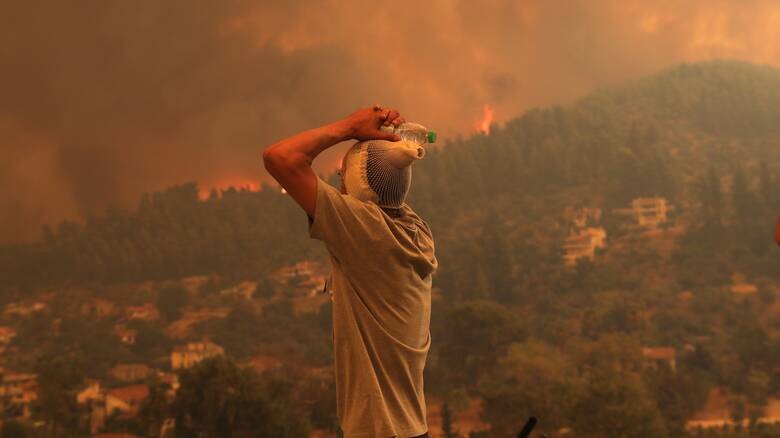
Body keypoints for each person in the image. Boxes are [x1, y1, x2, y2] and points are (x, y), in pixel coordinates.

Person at [263, 105, 437, 438]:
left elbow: (279, 158)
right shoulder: (415, 231)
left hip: (378, 431)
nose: (340, 186)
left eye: (343, 177)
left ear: (356, 186)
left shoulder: (364, 229)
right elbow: (385, 187)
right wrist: (386, 146)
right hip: (413, 429)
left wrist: (350, 128)